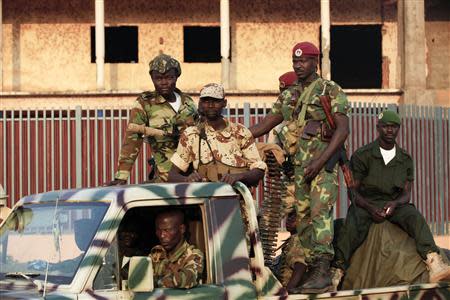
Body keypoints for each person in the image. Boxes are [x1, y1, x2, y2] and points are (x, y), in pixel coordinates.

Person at [249, 41, 350, 293]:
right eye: (295, 61)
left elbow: (343, 129)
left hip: (321, 169)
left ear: (315, 62)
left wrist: (320, 161)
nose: (298, 65)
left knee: (319, 215)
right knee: (302, 221)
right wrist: (236, 135)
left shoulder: (329, 90)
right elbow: (267, 123)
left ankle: (323, 271)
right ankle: (313, 270)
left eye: (303, 60)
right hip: (299, 171)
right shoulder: (289, 94)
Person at [332, 110, 450, 288]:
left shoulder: (405, 159)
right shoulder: (363, 155)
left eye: (394, 127)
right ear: (378, 128)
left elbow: (406, 193)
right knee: (351, 225)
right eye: (386, 126)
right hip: (366, 204)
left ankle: (434, 261)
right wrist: (371, 209)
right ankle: (337, 271)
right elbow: (353, 193)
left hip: (393, 203)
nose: (389, 130)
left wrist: (394, 204)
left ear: (398, 129)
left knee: (414, 217)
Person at [107, 54, 198, 185]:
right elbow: (132, 140)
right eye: (158, 78)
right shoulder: (145, 103)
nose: (164, 82)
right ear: (152, 78)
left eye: (169, 77)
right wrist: (121, 176)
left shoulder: (188, 103)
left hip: (193, 176)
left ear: (176, 76)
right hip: (165, 178)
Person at [168, 83, 266, 186]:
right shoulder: (192, 134)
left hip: (236, 198)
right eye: (206, 101)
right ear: (200, 103)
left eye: (216, 101)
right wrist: (188, 179)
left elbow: (258, 170)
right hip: (205, 199)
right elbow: (172, 175)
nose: (210, 105)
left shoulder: (240, 132)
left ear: (224, 103)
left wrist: (238, 177)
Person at [150, 209, 204, 289]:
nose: (162, 235)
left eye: (167, 230)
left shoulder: (193, 255)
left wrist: (156, 281)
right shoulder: (157, 253)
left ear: (182, 229)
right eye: (159, 230)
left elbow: (185, 279)